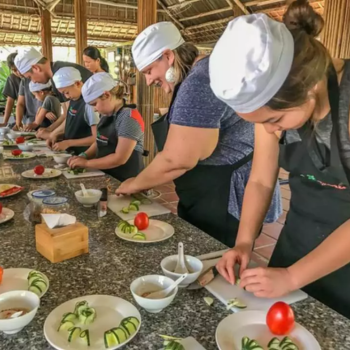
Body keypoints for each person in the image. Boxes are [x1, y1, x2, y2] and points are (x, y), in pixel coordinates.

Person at [210, 1, 350, 319]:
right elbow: (260, 179)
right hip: (297, 241)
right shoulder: (274, 114)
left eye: (275, 119)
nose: (270, 130)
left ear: (308, 87)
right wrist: (244, 242)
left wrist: (292, 277)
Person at [116, 22, 282, 247]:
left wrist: (135, 183)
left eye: (148, 71)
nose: (148, 80)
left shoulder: (200, 81)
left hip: (222, 195)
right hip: (209, 188)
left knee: (214, 261)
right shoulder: (197, 74)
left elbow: (177, 160)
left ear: (168, 56)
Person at [68, 73, 145, 181]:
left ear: (107, 95)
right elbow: (100, 141)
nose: (94, 109)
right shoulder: (108, 114)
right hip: (109, 175)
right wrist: (84, 155)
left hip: (126, 180)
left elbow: (119, 158)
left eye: (95, 104)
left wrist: (87, 163)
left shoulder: (128, 118)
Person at [46, 67, 99, 155]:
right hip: (71, 154)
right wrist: (57, 136)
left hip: (85, 155)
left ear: (77, 83)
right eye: (63, 94)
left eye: (67, 92)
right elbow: (75, 129)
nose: (66, 97)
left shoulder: (89, 104)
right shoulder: (73, 99)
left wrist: (68, 143)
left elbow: (95, 138)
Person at [14, 47, 92, 102]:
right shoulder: (55, 76)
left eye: (30, 77)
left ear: (35, 68)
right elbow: (66, 114)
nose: (33, 81)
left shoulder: (63, 75)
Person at [0, 53, 21, 127]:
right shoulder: (12, 78)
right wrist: (5, 122)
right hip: (23, 117)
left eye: (19, 68)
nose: (18, 72)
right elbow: (10, 101)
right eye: (14, 70)